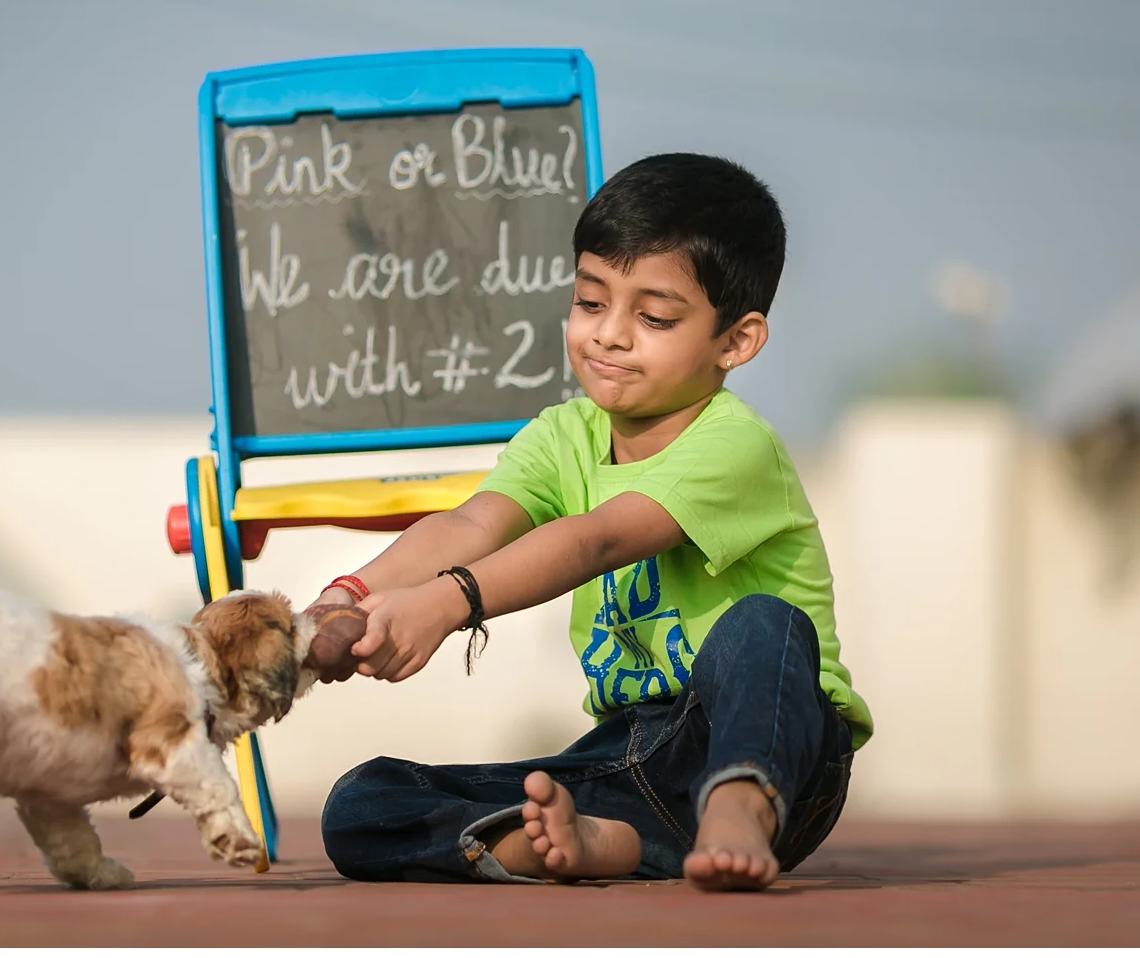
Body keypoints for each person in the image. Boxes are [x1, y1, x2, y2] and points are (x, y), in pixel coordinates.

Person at [310, 153, 873, 891]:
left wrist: (448, 602)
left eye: (654, 316)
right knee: (364, 801)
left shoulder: (736, 442)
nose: (609, 335)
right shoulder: (562, 433)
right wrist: (347, 596)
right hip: (632, 754)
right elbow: (472, 523)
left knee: (764, 626)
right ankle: (595, 842)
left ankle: (738, 803)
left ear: (735, 342)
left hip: (780, 755)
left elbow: (597, 537)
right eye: (590, 300)